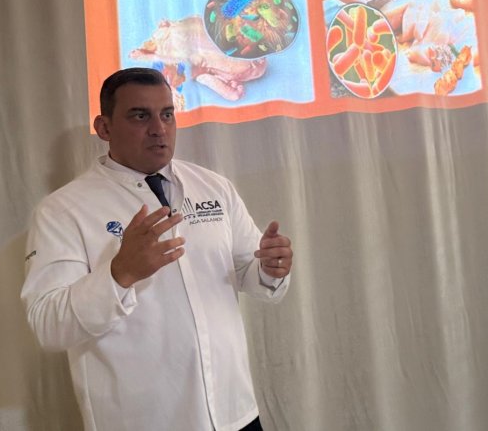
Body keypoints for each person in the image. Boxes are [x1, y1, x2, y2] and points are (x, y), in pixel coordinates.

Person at [21, 68, 293, 431]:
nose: (159, 129)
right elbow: (48, 326)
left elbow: (248, 272)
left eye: (167, 114)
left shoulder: (214, 187)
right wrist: (119, 275)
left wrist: (270, 269)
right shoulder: (63, 211)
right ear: (104, 128)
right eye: (140, 116)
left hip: (234, 413)